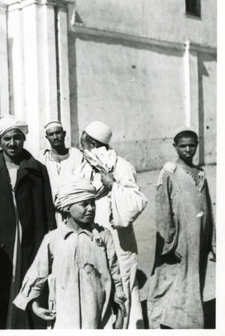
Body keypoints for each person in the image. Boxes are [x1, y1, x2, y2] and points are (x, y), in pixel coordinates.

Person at [0, 115, 56, 329]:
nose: (12, 143)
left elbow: (48, 212)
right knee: (0, 288)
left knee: (30, 285)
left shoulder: (37, 169)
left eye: (17, 138)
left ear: (23, 139)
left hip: (29, 240)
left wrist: (51, 244)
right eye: (7, 138)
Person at [13, 177, 126, 329]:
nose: (91, 208)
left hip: (98, 313)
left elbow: (115, 274)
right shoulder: (53, 239)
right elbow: (37, 273)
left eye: (93, 203)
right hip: (64, 314)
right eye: (84, 204)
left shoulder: (103, 236)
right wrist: (35, 305)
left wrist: (119, 312)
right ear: (67, 207)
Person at [76, 121, 147, 329]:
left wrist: (112, 186)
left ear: (89, 140)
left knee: (123, 281)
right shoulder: (83, 165)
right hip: (91, 229)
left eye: (84, 138)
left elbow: (135, 202)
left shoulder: (121, 166)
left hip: (118, 235)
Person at [147, 127, 215, 329]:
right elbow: (162, 209)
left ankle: (189, 323)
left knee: (194, 280)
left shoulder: (200, 173)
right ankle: (164, 323)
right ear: (175, 147)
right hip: (179, 240)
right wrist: (169, 241)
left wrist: (212, 242)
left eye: (191, 146)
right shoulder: (169, 172)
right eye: (183, 146)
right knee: (171, 280)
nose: (188, 150)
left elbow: (208, 208)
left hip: (199, 238)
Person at [36, 121, 83, 224]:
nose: (55, 137)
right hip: (49, 211)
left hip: (73, 209)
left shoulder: (76, 155)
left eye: (58, 133)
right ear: (46, 137)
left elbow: (81, 180)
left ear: (64, 134)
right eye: (51, 134)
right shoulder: (41, 158)